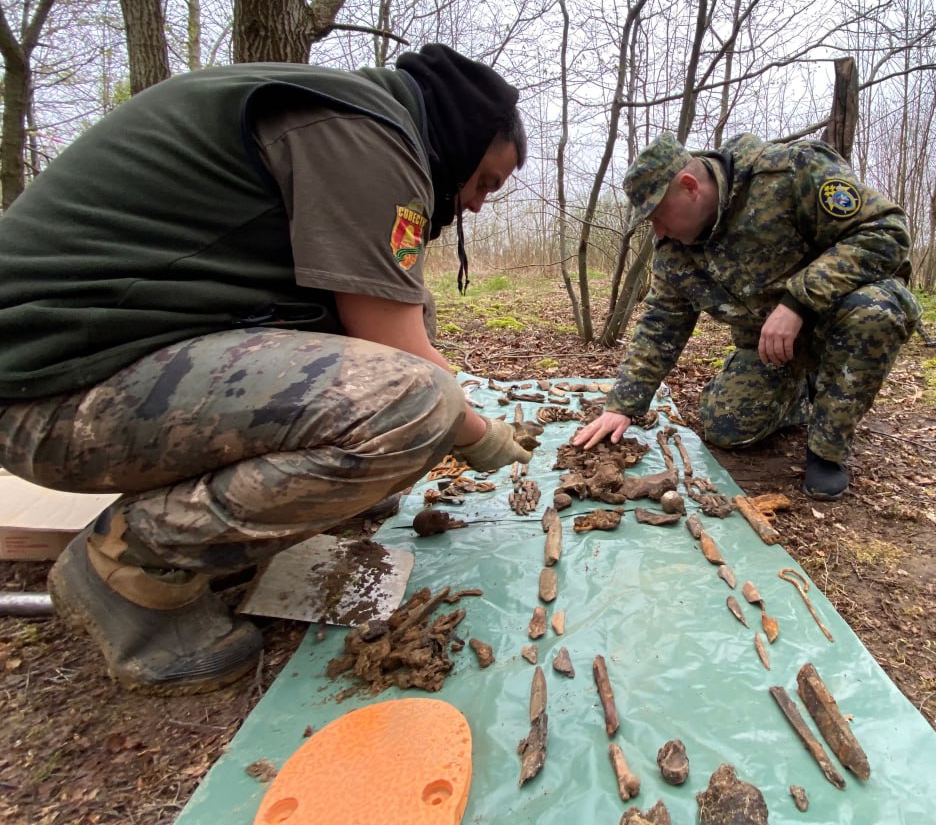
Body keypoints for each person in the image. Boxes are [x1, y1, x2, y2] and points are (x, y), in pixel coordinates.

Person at [0, 44, 535, 694]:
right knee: (417, 406)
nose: (478, 204)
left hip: (86, 365)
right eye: (485, 182)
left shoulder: (355, 123)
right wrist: (483, 436)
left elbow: (395, 322)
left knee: (412, 391)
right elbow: (398, 356)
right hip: (46, 391)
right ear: (463, 137)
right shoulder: (368, 138)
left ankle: (226, 538)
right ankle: (129, 565)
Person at [573, 131, 920, 500]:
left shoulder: (788, 172)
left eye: (658, 215)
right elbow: (662, 324)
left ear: (689, 187)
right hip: (772, 348)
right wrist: (622, 405)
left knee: (874, 311)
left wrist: (797, 301)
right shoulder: (675, 250)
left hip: (840, 318)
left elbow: (886, 232)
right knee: (726, 427)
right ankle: (804, 391)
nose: (658, 230)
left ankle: (826, 451)